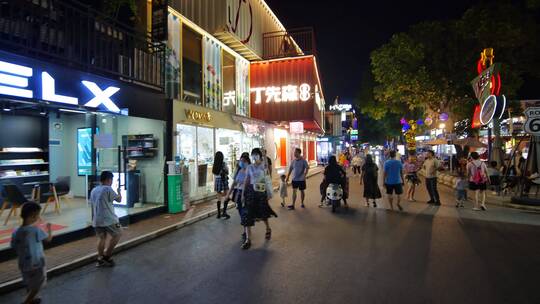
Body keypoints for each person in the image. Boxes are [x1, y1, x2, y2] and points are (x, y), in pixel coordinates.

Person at [11, 202, 53, 304]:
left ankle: (32, 299)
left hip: (23, 263)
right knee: (38, 283)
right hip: (37, 263)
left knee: (29, 282)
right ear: (33, 216)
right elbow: (48, 239)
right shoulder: (35, 230)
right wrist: (49, 228)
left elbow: (13, 245)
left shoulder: (16, 231)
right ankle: (27, 301)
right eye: (38, 214)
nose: (39, 217)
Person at [241, 148, 278, 250]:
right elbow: (246, 180)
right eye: (253, 155)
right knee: (247, 215)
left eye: (256, 155)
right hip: (251, 193)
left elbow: (268, 172)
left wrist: (264, 156)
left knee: (263, 213)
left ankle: (268, 228)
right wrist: (242, 194)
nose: (254, 157)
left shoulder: (263, 166)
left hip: (261, 193)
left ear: (260, 156)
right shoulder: (249, 167)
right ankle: (248, 240)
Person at [90, 171, 122, 267]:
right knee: (118, 233)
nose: (111, 182)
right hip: (109, 219)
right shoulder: (108, 189)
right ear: (109, 180)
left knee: (101, 238)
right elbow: (119, 199)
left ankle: (100, 258)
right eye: (111, 180)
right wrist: (119, 192)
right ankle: (107, 256)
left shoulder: (94, 190)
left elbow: (92, 205)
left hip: (97, 219)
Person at [227, 152, 250, 242]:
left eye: (243, 161)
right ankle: (245, 228)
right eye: (241, 161)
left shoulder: (250, 171)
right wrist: (228, 194)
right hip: (239, 194)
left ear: (247, 162)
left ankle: (246, 233)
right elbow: (234, 184)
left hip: (247, 194)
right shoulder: (239, 171)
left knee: (245, 213)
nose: (242, 162)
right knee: (241, 212)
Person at [212, 151, 230, 219]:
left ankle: (219, 214)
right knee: (227, 195)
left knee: (218, 197)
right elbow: (227, 172)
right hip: (223, 179)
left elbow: (214, 173)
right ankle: (224, 212)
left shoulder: (215, 164)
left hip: (217, 180)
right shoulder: (223, 164)